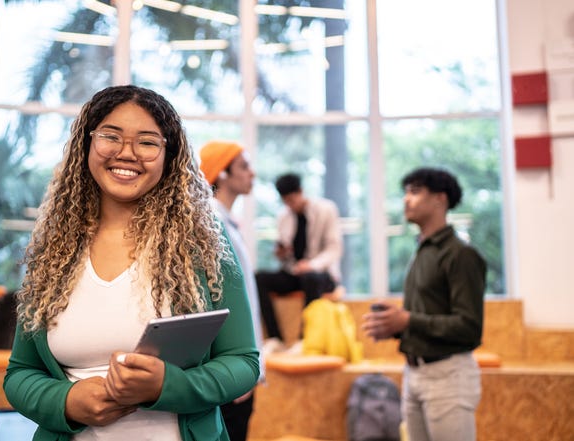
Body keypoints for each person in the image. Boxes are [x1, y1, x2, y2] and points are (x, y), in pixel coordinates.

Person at [3, 85, 260, 441]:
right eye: (111, 136)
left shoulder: (202, 239)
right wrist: (66, 401)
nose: (127, 153)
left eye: (147, 142)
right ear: (87, 144)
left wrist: (167, 386)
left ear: (168, 154)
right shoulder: (55, 246)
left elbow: (243, 362)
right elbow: (20, 373)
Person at [362, 167, 486, 441]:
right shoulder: (422, 251)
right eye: (406, 192)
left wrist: (406, 321)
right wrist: (394, 327)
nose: (407, 199)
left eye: (415, 191)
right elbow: (425, 317)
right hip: (414, 375)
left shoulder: (461, 254)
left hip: (448, 378)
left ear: (440, 199)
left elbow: (469, 327)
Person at [199, 140, 264, 441]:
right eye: (244, 166)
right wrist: (236, 369)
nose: (252, 173)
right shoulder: (209, 222)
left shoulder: (227, 222)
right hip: (228, 371)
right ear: (222, 175)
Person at [255, 173, 344, 352]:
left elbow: (334, 249)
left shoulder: (326, 209)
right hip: (296, 272)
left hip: (322, 274)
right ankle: (275, 338)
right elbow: (286, 256)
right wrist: (281, 253)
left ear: (301, 192)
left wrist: (311, 265)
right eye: (286, 201)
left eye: (292, 199)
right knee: (259, 278)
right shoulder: (283, 217)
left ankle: (304, 339)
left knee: (310, 277)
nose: (290, 205)